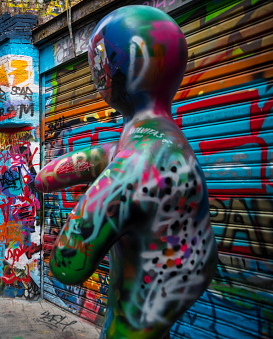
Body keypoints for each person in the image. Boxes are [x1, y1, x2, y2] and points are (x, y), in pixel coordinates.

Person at [35, 6, 217, 339]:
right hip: (166, 288)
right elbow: (50, 176)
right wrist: (79, 167)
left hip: (139, 312)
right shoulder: (158, 144)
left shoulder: (137, 161)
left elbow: (66, 263)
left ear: (112, 66)